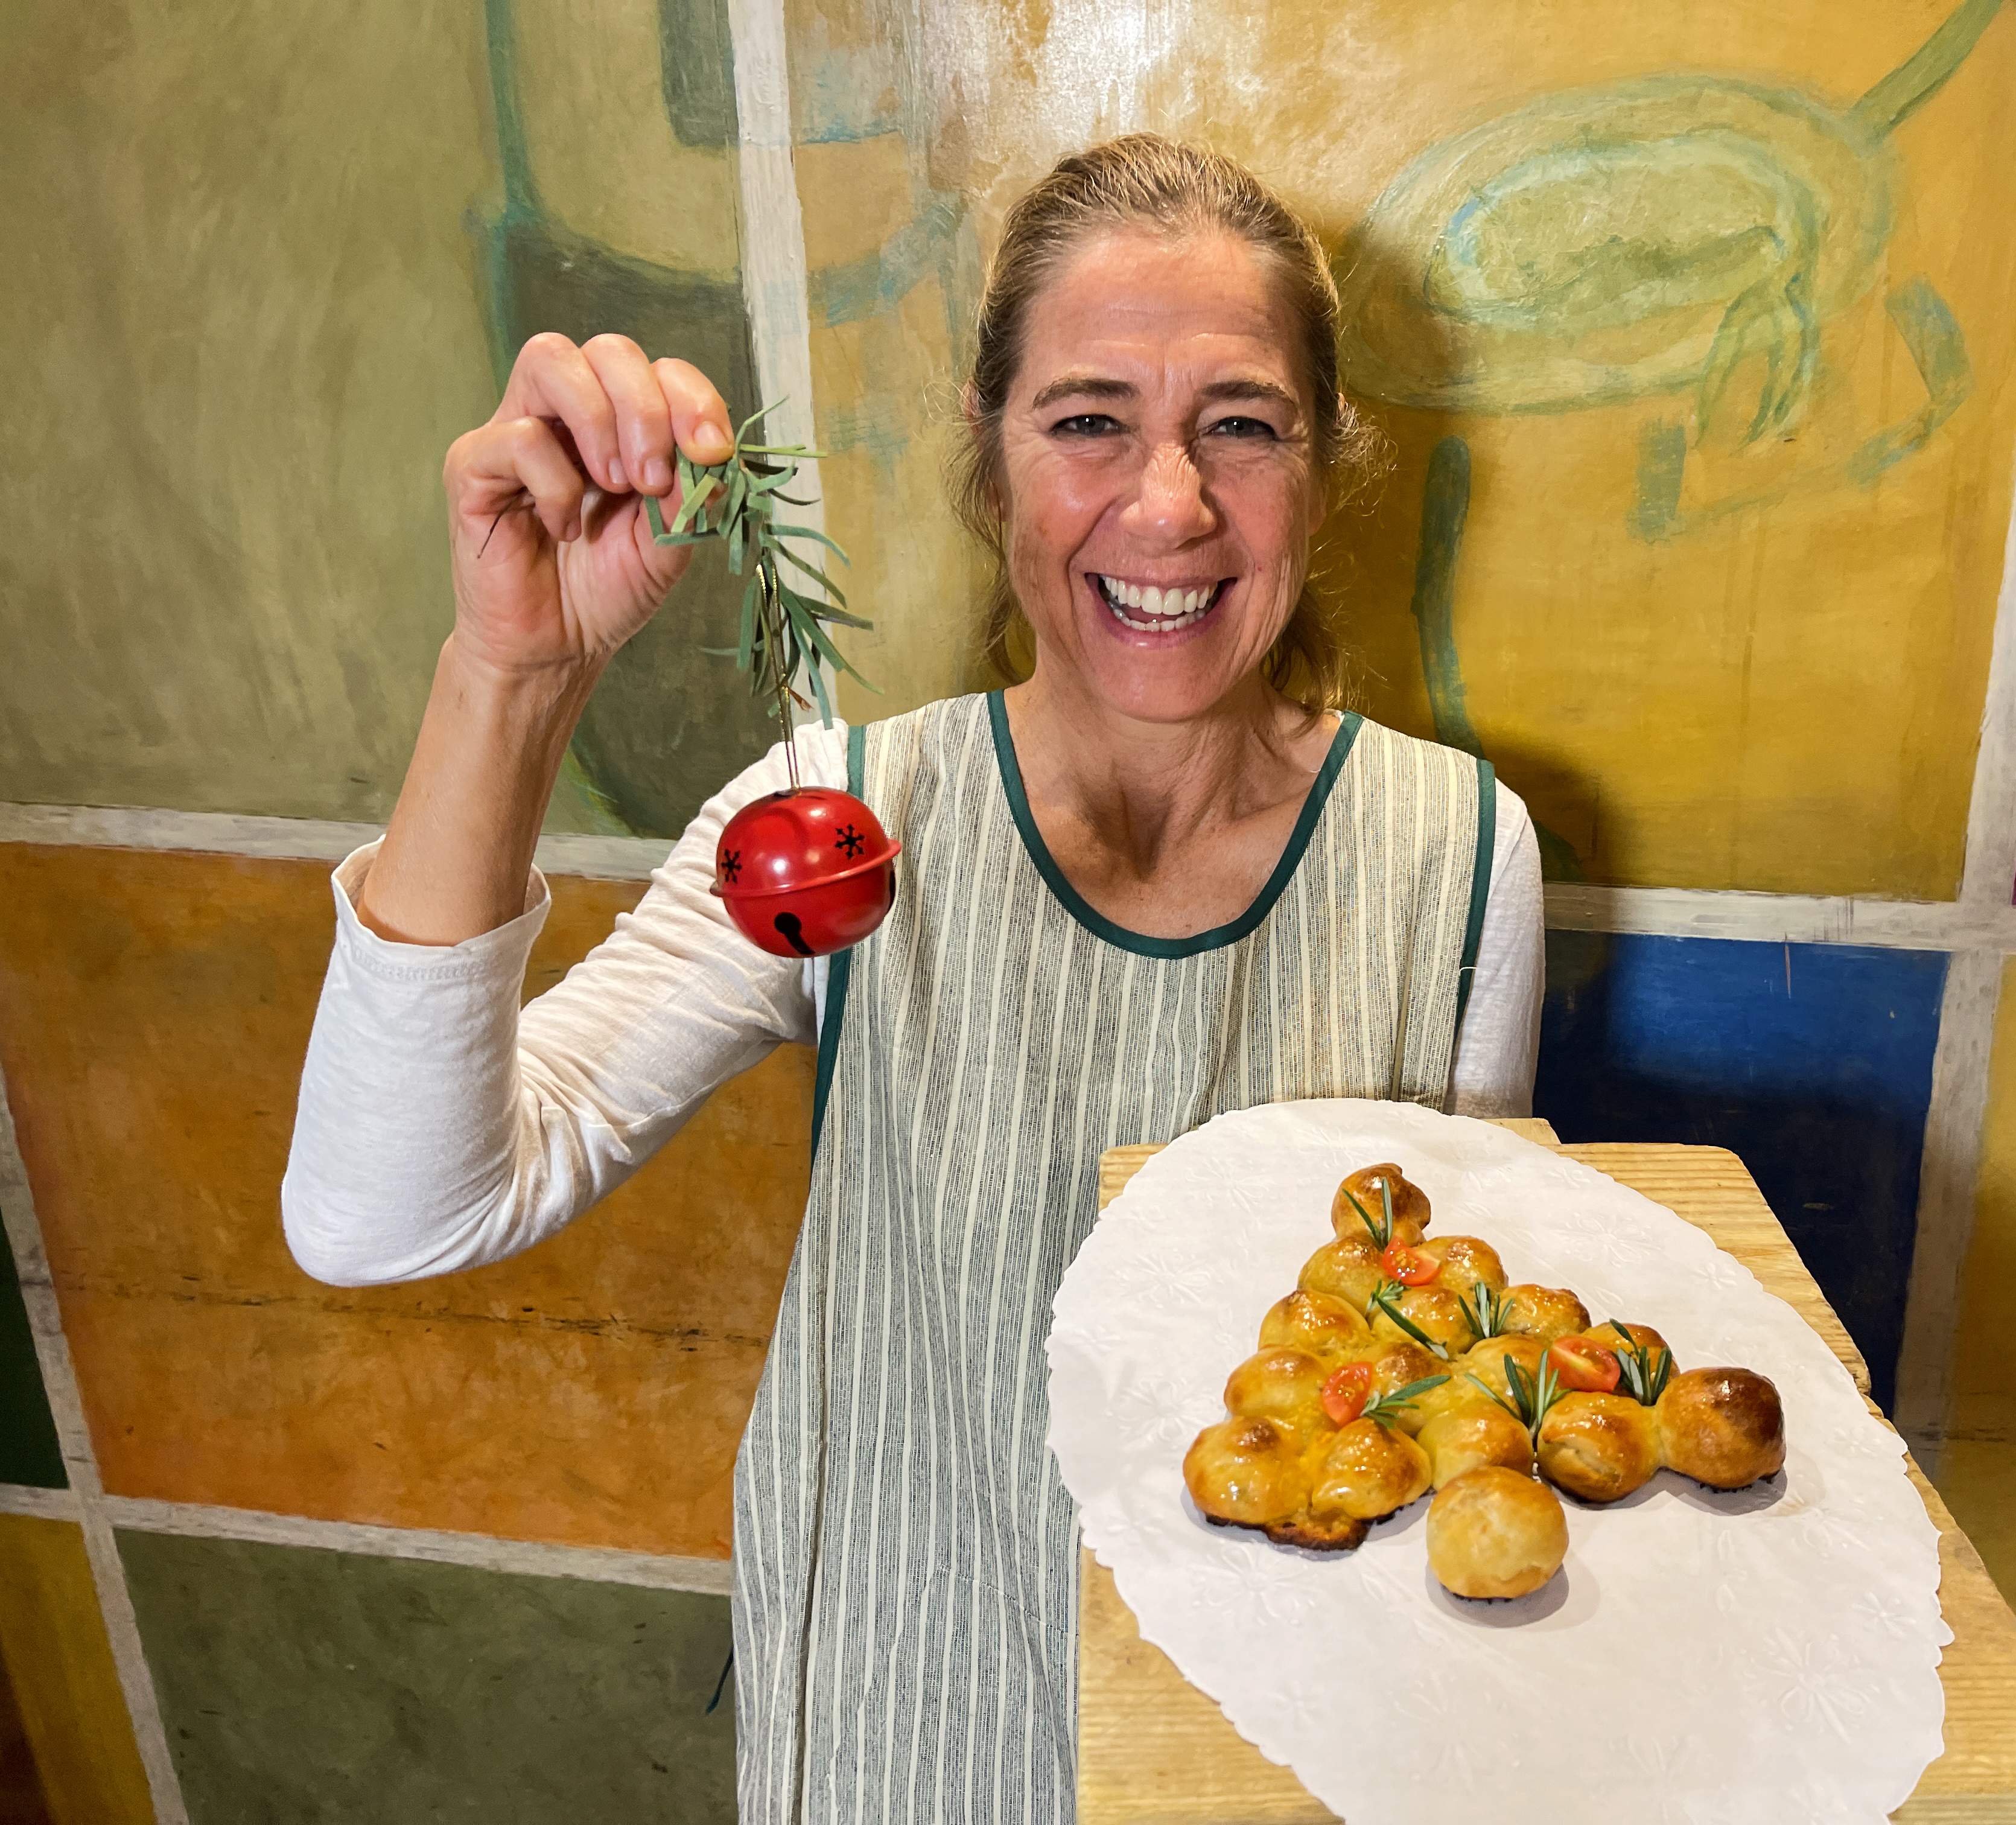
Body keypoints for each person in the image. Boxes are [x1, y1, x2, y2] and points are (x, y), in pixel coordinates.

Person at [284, 134, 1544, 1823]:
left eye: (1241, 425)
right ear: (992, 447)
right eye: (1087, 419)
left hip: (1285, 1760)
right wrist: (514, 676)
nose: (1166, 504)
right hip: (900, 1737)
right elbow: (385, 1214)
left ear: (1323, 467)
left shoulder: (1457, 854)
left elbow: (1460, 1369)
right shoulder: (841, 834)